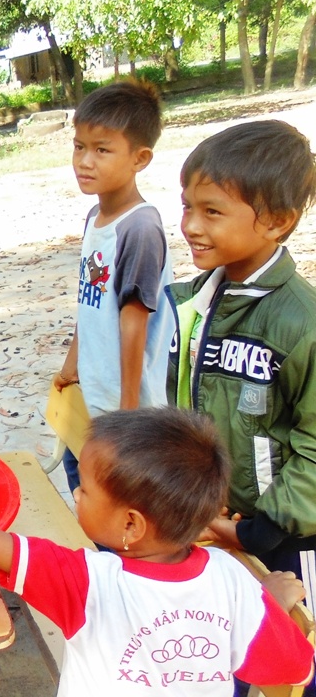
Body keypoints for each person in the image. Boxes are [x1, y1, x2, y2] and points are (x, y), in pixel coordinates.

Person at [0, 407, 315, 695]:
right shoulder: (233, 579)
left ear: (131, 524)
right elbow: (294, 670)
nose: (76, 492)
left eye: (87, 490)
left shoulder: (88, 582)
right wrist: (269, 608)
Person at [168, 120, 316, 607]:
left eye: (212, 211)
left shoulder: (301, 324)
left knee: (299, 652)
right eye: (187, 207)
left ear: (277, 221)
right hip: (218, 517)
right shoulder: (194, 303)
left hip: (287, 537)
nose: (190, 225)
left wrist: (259, 530)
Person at [53, 80, 174, 492]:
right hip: (94, 393)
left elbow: (133, 322)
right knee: (81, 482)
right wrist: (72, 365)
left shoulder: (140, 228)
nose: (85, 161)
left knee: (117, 498)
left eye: (102, 150)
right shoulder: (94, 218)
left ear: (140, 158)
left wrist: (128, 415)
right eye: (79, 146)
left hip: (126, 409)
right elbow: (91, 303)